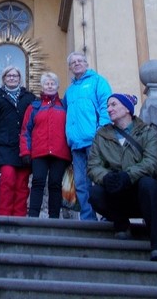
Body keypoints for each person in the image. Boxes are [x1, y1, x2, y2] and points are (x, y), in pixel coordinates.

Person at [88, 93, 157, 262]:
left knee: (149, 185)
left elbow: (153, 162)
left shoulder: (147, 133)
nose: (109, 109)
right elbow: (93, 166)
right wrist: (106, 178)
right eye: (108, 106)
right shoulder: (102, 135)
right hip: (117, 192)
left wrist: (128, 175)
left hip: (141, 191)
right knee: (96, 193)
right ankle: (122, 224)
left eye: (113, 105)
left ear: (127, 109)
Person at [62, 51, 112, 221]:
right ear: (69, 67)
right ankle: (88, 217)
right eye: (73, 62)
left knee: (99, 179)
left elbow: (107, 105)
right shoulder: (69, 91)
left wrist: (101, 130)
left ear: (86, 63)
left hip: (94, 140)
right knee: (81, 184)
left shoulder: (98, 81)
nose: (76, 64)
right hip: (76, 144)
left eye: (80, 61)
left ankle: (107, 215)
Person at [0, 65, 36, 216]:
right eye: (9, 76)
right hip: (4, 146)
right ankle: (4, 217)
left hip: (24, 147)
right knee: (7, 180)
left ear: (20, 78)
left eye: (15, 76)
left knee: (22, 185)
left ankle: (19, 220)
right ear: (3, 79)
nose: (12, 78)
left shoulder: (29, 98)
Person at [20, 72, 71, 219]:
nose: (50, 86)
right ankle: (33, 216)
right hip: (39, 152)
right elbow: (25, 131)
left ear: (58, 86)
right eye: (47, 83)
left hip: (60, 152)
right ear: (42, 86)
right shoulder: (34, 107)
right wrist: (25, 151)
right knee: (38, 182)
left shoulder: (64, 106)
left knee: (55, 184)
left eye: (52, 83)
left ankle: (54, 217)